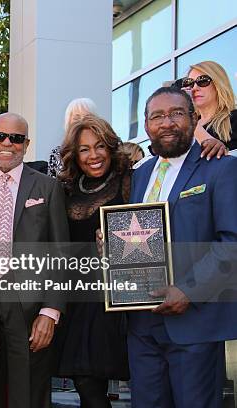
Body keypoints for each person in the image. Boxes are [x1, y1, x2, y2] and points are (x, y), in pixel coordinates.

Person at [124, 86, 237, 407]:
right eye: (157, 116)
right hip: (142, 324)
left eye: (176, 113)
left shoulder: (221, 167)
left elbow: (231, 242)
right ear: (146, 126)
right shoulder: (141, 174)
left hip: (194, 323)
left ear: (195, 118)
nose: (167, 122)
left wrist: (189, 290)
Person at [0, 112, 70, 408]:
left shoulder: (48, 187)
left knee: (29, 394)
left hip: (29, 301)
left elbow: (60, 254)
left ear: (26, 143)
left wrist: (50, 312)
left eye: (16, 138)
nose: (7, 143)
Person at [55, 115, 130, 407]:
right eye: (84, 149)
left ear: (110, 147)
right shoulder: (67, 187)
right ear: (75, 154)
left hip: (114, 295)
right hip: (77, 296)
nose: (93, 155)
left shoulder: (129, 179)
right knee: (85, 382)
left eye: (100, 146)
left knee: (93, 378)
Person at [181, 61, 237, 154]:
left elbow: (227, 160)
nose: (194, 88)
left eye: (202, 81)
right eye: (189, 83)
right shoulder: (183, 127)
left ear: (218, 84)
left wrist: (190, 121)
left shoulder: (233, 119)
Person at [48, 98, 98, 178]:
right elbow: (51, 185)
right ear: (68, 122)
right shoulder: (57, 153)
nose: (82, 121)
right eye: (76, 118)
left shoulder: (103, 149)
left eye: (87, 117)